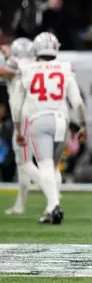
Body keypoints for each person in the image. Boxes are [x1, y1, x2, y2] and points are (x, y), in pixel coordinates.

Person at [10, 32, 87, 224]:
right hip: (62, 120)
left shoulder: (28, 69)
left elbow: (17, 105)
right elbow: (77, 102)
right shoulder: (65, 67)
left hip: (39, 119)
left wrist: (18, 129)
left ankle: (54, 205)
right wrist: (83, 124)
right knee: (52, 167)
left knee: (44, 164)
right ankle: (51, 207)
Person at [1, 38, 41, 215]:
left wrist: (8, 56)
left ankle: (52, 190)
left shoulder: (16, 63)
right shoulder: (34, 64)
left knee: (24, 163)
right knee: (23, 163)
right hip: (36, 114)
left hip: (23, 115)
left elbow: (5, 71)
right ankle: (20, 204)